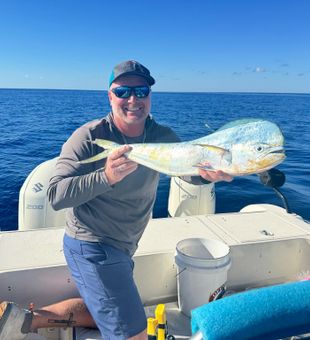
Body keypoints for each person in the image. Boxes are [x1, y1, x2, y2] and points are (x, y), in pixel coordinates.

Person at [0, 60, 232, 340]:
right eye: (123, 92)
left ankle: (25, 320)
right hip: (92, 246)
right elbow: (56, 195)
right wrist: (106, 176)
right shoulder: (88, 137)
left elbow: (186, 172)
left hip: (124, 246)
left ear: (150, 96)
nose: (133, 99)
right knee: (134, 333)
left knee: (106, 311)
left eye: (141, 91)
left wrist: (209, 176)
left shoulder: (162, 137)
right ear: (110, 96)